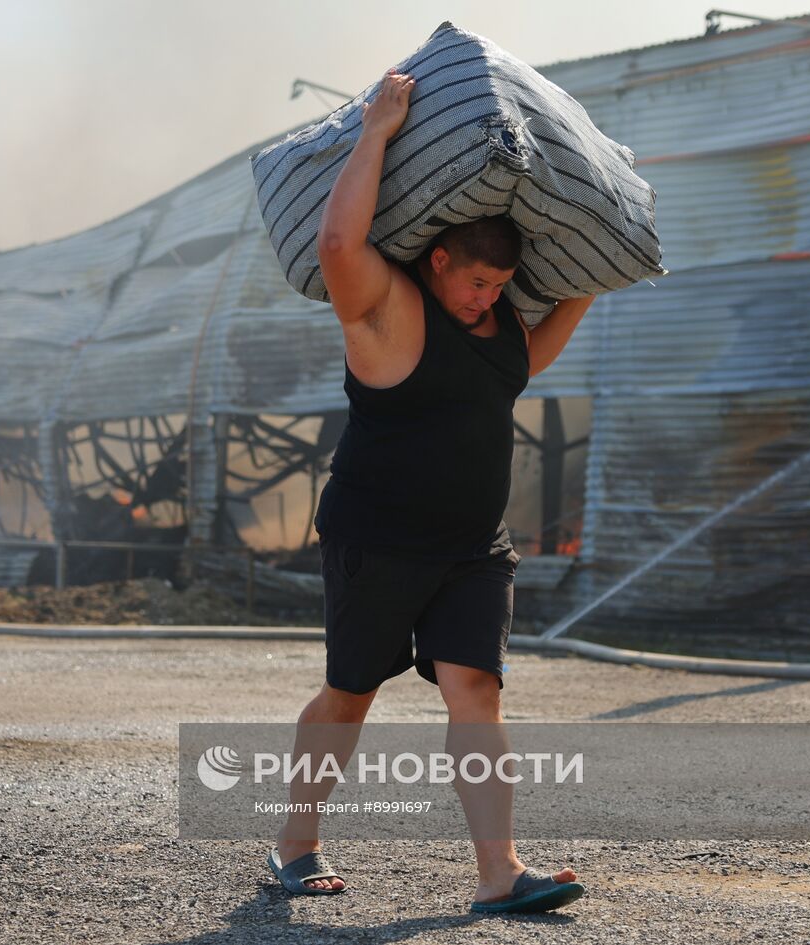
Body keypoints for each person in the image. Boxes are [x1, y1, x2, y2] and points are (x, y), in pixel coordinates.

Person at [265, 68, 596, 913]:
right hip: (378, 539)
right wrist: (376, 129)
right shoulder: (393, 311)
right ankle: (295, 843)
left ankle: (500, 872)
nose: (489, 298)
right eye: (477, 283)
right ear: (440, 259)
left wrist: (595, 257)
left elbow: (529, 357)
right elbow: (340, 248)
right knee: (351, 691)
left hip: (473, 547)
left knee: (476, 688)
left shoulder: (504, 328)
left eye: (499, 287)